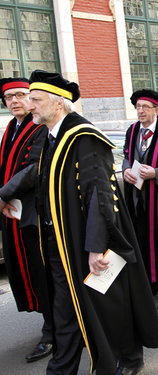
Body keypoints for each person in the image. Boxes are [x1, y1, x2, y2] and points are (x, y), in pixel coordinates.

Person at [0, 70, 158, 374]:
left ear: (58, 103)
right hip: (59, 241)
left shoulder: (84, 138)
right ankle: (63, 368)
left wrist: (96, 248)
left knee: (109, 307)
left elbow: (100, 197)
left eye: (35, 99)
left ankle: (129, 357)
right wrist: (22, 207)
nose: (30, 104)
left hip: (86, 241)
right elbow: (46, 183)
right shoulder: (51, 135)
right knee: (68, 310)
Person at [0, 78, 52, 362]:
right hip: (14, 213)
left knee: (43, 272)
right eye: (9, 98)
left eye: (21, 95)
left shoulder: (40, 127)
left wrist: (2, 194)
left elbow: (34, 169)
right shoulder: (11, 128)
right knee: (27, 272)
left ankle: (55, 330)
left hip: (36, 214)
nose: (15, 101)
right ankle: (50, 322)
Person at [122, 89, 158, 299]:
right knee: (141, 241)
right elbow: (127, 156)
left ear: (156, 109)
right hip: (137, 198)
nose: (140, 111)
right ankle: (150, 282)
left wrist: (157, 172)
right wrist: (126, 169)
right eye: (137, 107)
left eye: (145, 107)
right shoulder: (132, 130)